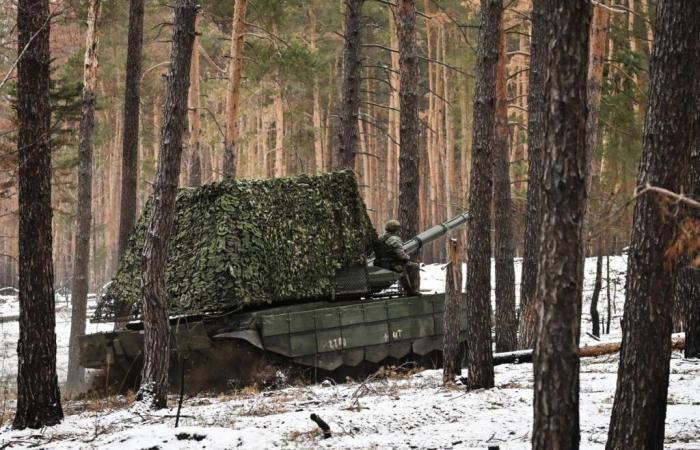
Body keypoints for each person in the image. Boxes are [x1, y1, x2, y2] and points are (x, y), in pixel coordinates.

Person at [375, 220, 421, 296]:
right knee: (414, 266)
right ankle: (414, 291)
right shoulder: (394, 239)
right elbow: (401, 255)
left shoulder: (381, 237)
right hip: (393, 265)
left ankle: (407, 289)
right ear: (396, 229)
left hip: (383, 264)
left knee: (404, 268)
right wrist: (407, 257)